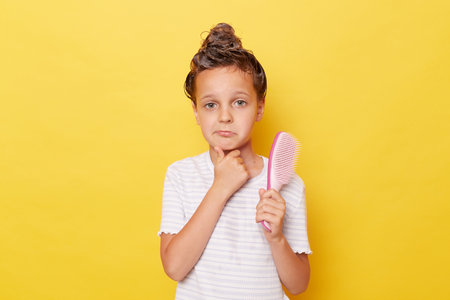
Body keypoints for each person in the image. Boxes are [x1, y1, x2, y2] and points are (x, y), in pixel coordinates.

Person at [158, 23, 312, 299]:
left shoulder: (287, 183)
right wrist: (220, 187)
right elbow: (174, 267)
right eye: (210, 104)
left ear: (259, 107)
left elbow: (299, 285)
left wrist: (276, 238)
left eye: (239, 102)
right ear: (196, 112)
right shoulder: (181, 175)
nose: (225, 116)